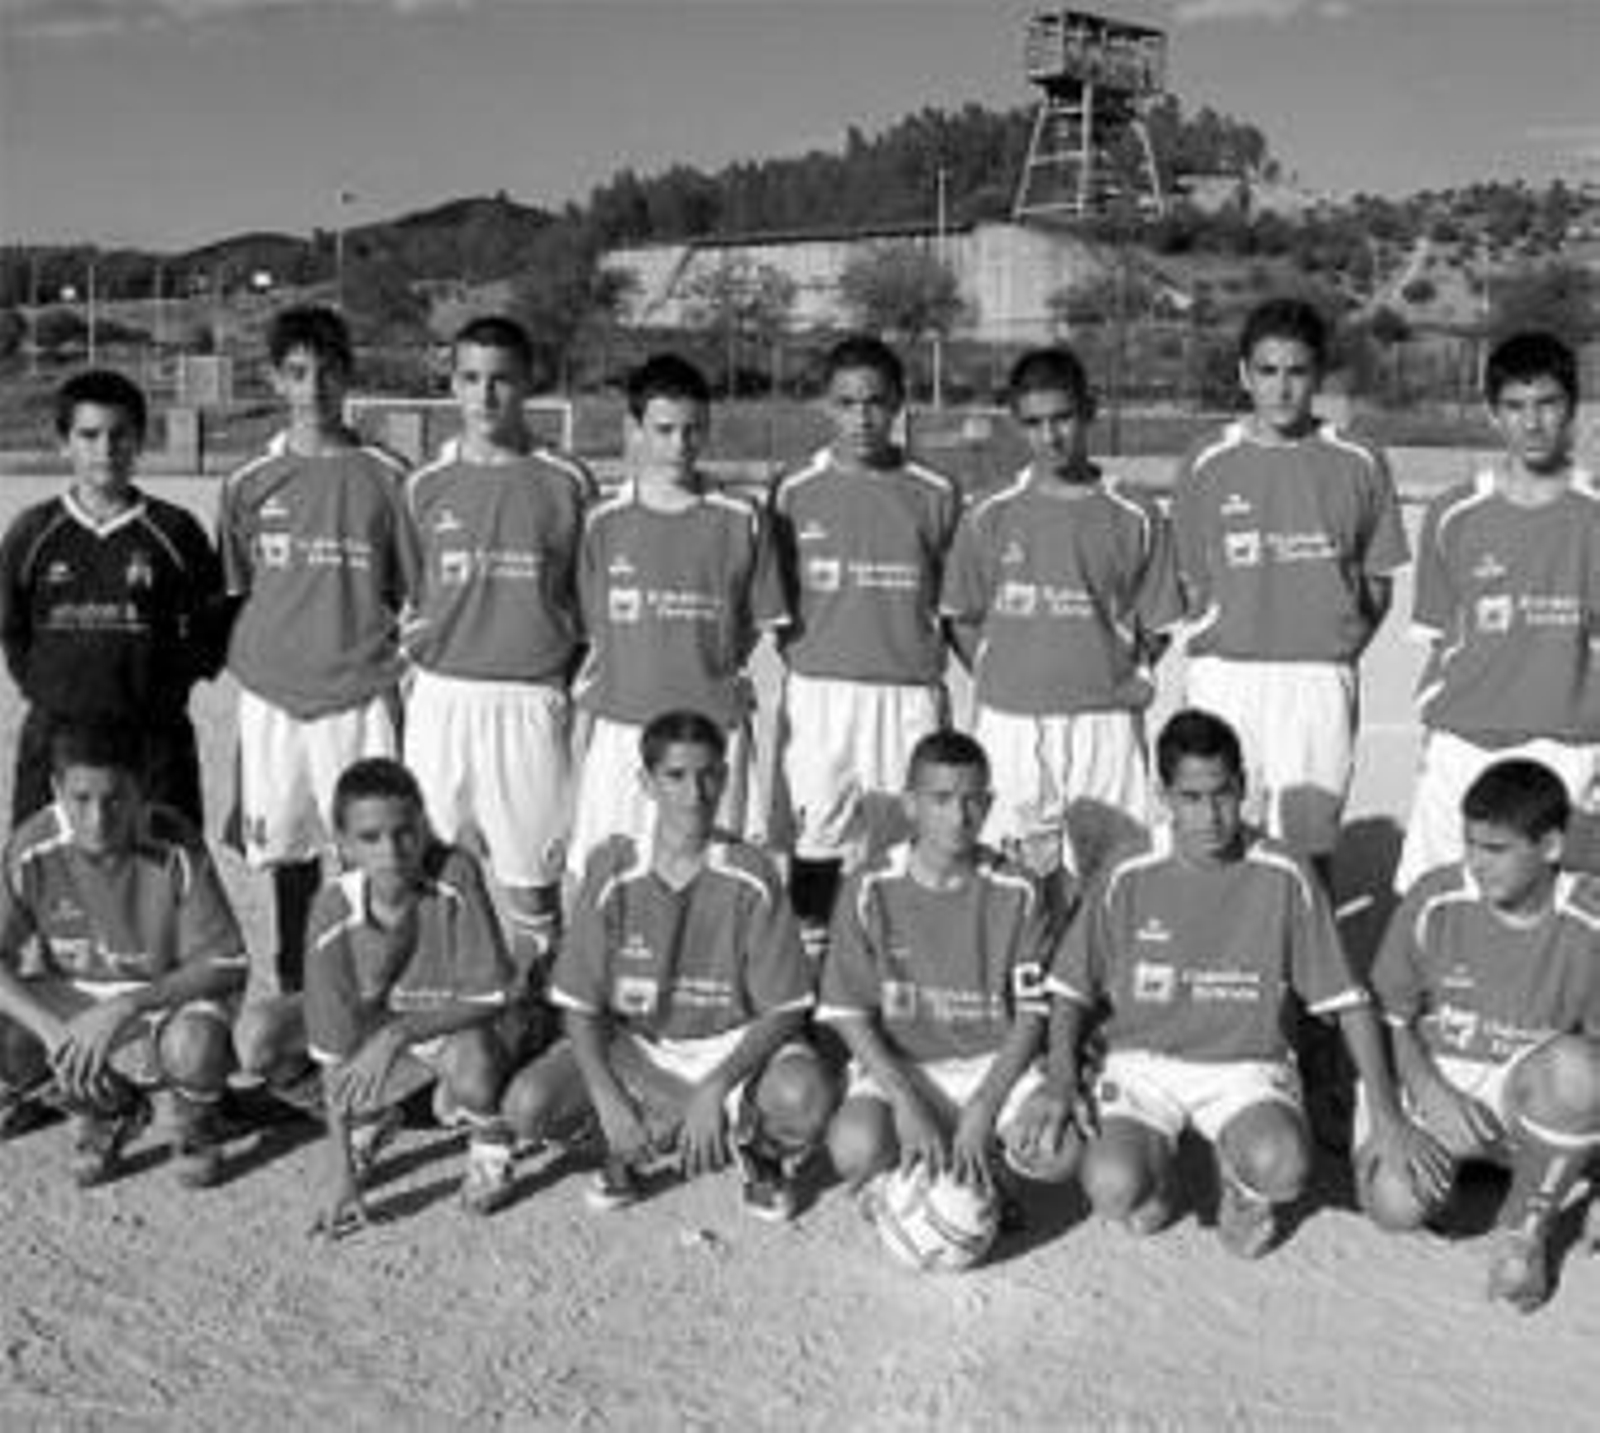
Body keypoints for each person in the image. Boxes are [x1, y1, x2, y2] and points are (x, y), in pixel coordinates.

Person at [1012, 709, 1438, 1258]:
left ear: (1244, 787)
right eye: (1191, 798)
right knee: (1115, 1187)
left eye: (1223, 794)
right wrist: (1061, 1078)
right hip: (1142, 1065)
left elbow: (1348, 1003)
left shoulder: (1284, 872)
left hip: (1246, 1066)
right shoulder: (1129, 870)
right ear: (1163, 795)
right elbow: (1071, 986)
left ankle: (1242, 1186)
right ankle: (1158, 1177)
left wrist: (1386, 1117)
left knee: (1282, 1166)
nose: (1210, 815)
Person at [501, 710, 835, 1221]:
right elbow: (578, 1004)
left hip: (731, 1048)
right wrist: (609, 1099)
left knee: (806, 1096)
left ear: (725, 777)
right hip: (640, 1048)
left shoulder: (752, 872)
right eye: (675, 776)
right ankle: (628, 1142)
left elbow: (785, 1008)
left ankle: (761, 1151)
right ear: (646, 783)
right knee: (526, 1106)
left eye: (708, 774)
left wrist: (717, 1087)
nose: (694, 792)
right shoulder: (613, 868)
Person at [217, 305, 421, 993]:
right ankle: (300, 990)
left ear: (348, 376)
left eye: (328, 371)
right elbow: (240, 590)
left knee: (375, 856)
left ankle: (375, 991)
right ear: (276, 379)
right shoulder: (247, 482)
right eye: (298, 373)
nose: (313, 389)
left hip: (360, 694)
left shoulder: (391, 477)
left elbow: (409, 588)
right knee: (288, 854)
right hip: (274, 699)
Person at [1171, 298, 1408, 885]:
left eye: (1297, 372)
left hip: (1317, 679)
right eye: (1268, 372)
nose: (1282, 389)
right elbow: (1186, 575)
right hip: (1226, 675)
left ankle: (1309, 974)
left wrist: (1340, 637)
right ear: (1243, 374)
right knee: (1215, 834)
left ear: (1318, 377)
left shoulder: (1359, 460)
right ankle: (1223, 967)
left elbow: (1378, 581)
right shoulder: (1208, 460)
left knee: (1309, 849)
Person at [404, 315, 593, 1039]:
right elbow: (407, 589)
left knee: (531, 874)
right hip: (441, 696)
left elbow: (586, 597)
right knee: (430, 865)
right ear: (452, 384)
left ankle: (537, 1016)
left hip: (528, 697)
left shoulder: (567, 480)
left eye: (502, 378)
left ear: (528, 384)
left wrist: (555, 673)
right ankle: (441, 1018)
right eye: (472, 378)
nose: (487, 394)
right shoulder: (424, 484)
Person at [234, 757, 518, 1232]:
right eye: (370, 838)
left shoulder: (455, 874)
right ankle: (372, 1117)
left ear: (424, 827)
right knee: (256, 1037)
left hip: (447, 1024)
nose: (391, 850)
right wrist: (342, 1175)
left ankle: (492, 1140)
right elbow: (329, 1054)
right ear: (343, 844)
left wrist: (396, 1037)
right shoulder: (331, 908)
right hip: (378, 1026)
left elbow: (491, 994)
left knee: (473, 1067)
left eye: (404, 832)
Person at [1359, 759, 1600, 1311]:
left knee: (1578, 1075)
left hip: (1531, 1086)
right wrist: (1429, 1090)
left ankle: (1526, 1232)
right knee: (1396, 1205)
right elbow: (1391, 1014)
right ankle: (1476, 1176)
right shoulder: (1436, 899)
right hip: (1440, 1074)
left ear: (1551, 846)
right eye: (1471, 845)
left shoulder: (1590, 922)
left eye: (1496, 850)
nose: (1476, 864)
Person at [942, 345, 1180, 902]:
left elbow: (1159, 620)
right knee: (1007, 866)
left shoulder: (1135, 512)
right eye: (1034, 423)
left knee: (1111, 871)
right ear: (1017, 425)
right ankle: (1020, 978)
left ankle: (1093, 981)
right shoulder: (990, 513)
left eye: (1063, 419)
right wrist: (1000, 670)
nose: (1050, 437)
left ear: (1089, 410)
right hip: (1012, 720)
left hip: (1105, 721)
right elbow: (963, 616)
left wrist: (1111, 669)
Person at [819, 729, 1078, 1225]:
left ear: (989, 804)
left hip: (991, 1062)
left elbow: (1031, 1014)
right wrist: (903, 1098)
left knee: (1060, 1152)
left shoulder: (1018, 888)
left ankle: (992, 1170)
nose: (959, 817)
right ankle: (906, 1183)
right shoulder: (869, 885)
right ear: (910, 805)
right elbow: (848, 1012)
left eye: (972, 801)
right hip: (907, 1064)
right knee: (854, 1147)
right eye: (940, 800)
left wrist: (984, 1105)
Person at [772, 335, 961, 954]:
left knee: (907, 841)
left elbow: (955, 600)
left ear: (900, 404)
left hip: (907, 694)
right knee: (816, 837)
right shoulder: (793, 489)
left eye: (875, 403)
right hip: (821, 695)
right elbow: (776, 607)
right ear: (827, 406)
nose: (861, 418)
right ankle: (813, 976)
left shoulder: (934, 490)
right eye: (847, 403)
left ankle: (896, 970)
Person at [1394, 331, 1600, 891]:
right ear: (1492, 414)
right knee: (1438, 898)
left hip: (1569, 744)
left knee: (1565, 912)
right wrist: (1433, 740)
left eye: (1548, 404)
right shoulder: (1454, 513)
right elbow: (1440, 640)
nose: (1532, 424)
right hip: (1463, 741)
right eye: (1515, 406)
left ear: (1573, 409)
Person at [0, 721, 246, 1189]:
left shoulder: (174, 843)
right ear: (55, 790)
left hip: (161, 992)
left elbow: (227, 962)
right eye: (81, 800)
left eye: (115, 799)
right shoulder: (32, 846)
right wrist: (55, 1036)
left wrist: (127, 1006)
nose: (98, 818)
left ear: (141, 790)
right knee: (11, 1033)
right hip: (78, 991)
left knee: (193, 1046)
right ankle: (109, 1108)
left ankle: (195, 1123)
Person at [568, 354, 785, 871]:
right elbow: (593, 636)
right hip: (623, 729)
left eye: (692, 431)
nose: (678, 446)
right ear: (635, 428)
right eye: (663, 430)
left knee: (712, 878)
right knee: (606, 878)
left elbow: (757, 628)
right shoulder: (603, 523)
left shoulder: (742, 518)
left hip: (713, 731)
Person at [0, 369, 223, 830]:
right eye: (89, 435)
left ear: (140, 441)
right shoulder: (33, 531)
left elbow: (212, 623)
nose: (105, 449)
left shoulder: (174, 530)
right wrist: (49, 688)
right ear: (64, 443)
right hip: (57, 738)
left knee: (167, 875)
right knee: (43, 875)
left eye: (119, 435)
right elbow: (13, 626)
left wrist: (161, 688)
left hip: (153, 739)